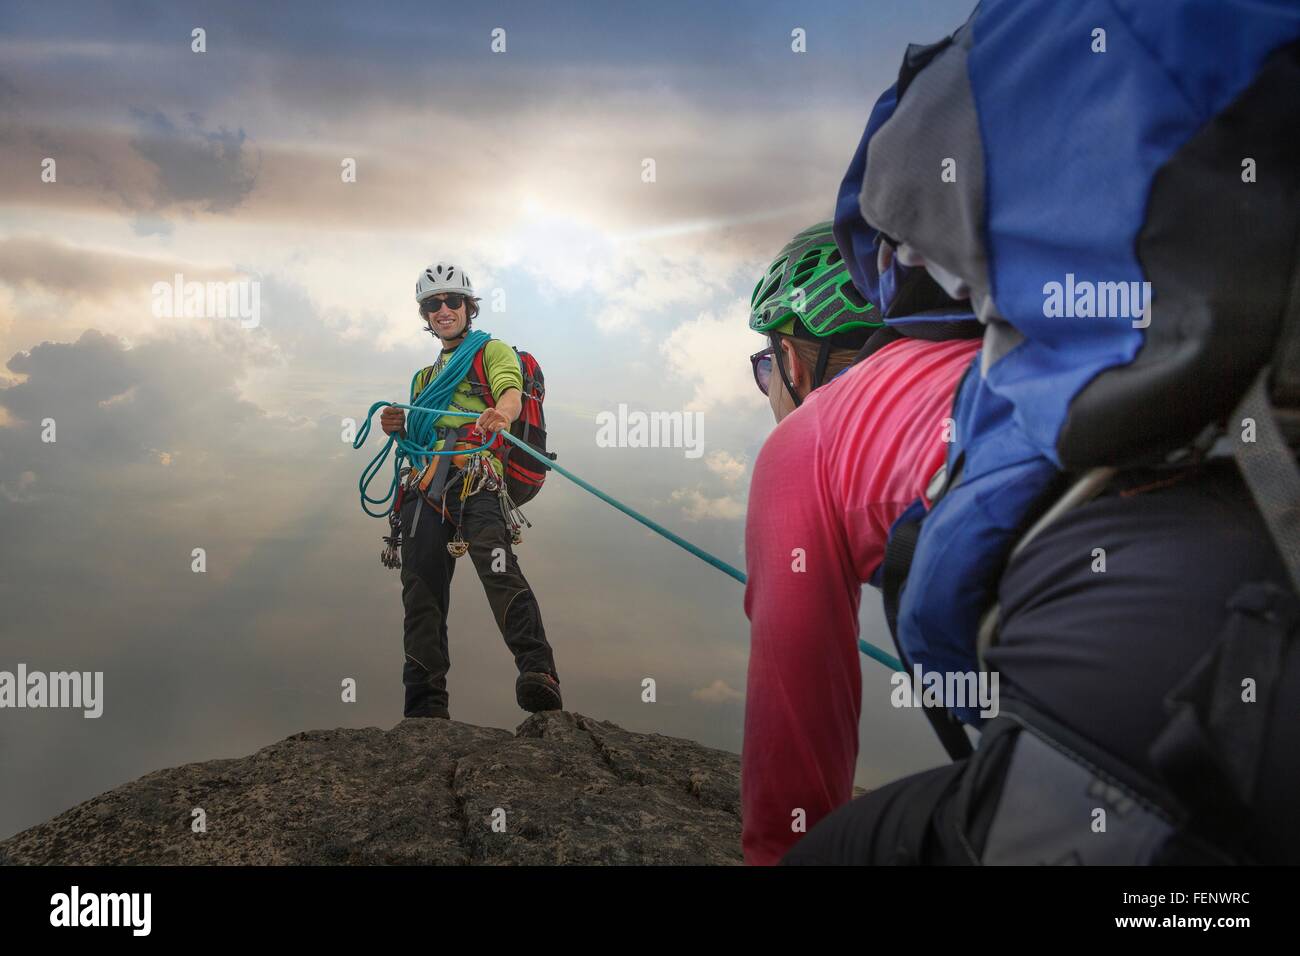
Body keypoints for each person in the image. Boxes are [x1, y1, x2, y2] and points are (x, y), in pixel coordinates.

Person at [740, 224, 981, 865]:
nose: (770, 386)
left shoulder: (804, 441)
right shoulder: (1009, 358)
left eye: (766, 366)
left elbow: (797, 740)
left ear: (792, 359)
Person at [380, 262, 562, 719]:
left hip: (477, 474)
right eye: (432, 303)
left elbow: (510, 392)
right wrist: (398, 424)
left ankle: (538, 672)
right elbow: (419, 433)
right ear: (425, 314)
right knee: (420, 585)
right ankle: (423, 705)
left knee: (497, 567)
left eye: (452, 301)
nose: (443, 309)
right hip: (427, 482)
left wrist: (501, 413)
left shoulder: (491, 351)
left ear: (468, 307)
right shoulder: (423, 380)